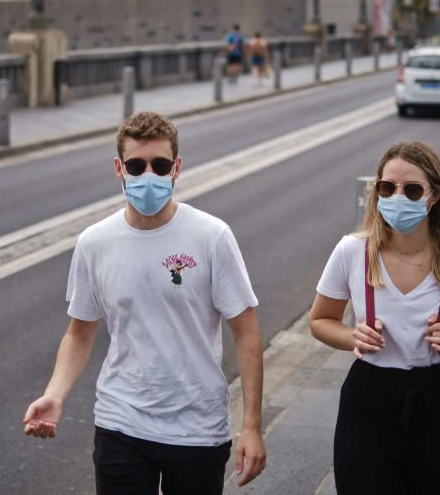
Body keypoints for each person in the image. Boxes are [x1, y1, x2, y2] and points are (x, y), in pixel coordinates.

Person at [23, 111, 267, 494]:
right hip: (121, 423)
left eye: (160, 165)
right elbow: (80, 333)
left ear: (177, 168)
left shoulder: (212, 236)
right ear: (119, 169)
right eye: (136, 165)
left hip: (197, 429)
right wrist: (55, 394)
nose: (148, 175)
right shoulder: (94, 242)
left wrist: (252, 426)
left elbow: (247, 334)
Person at [309, 141, 440, 494]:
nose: (397, 197)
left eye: (411, 190)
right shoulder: (352, 251)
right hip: (369, 400)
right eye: (387, 187)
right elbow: (320, 321)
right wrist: (352, 337)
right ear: (375, 192)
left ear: (434, 195)